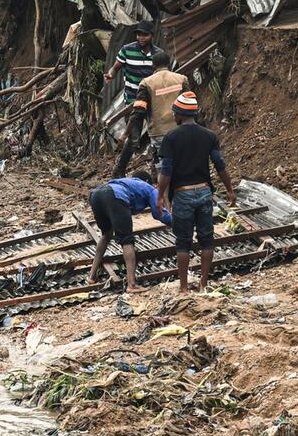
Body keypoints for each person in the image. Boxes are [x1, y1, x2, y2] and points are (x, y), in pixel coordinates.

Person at [157, 92, 236, 294]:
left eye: (174, 113)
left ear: (179, 115)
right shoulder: (209, 136)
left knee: (183, 243)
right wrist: (229, 189)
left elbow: (166, 171)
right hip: (204, 192)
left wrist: (160, 196)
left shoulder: (171, 137)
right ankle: (203, 284)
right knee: (206, 240)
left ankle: (183, 287)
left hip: (182, 194)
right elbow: (220, 165)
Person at [86, 170, 173, 293]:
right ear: (148, 181)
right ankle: (131, 285)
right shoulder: (148, 187)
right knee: (127, 240)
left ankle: (91, 277)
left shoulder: (126, 182)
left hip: (96, 196)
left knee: (106, 234)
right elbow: (159, 213)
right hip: (115, 196)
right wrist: (176, 223)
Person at [105, 20, 164, 178]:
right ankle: (119, 170)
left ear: (152, 36)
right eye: (139, 34)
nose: (141, 37)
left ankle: (156, 171)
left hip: (153, 102)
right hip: (132, 102)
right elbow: (116, 67)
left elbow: (163, 75)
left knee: (157, 136)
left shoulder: (158, 54)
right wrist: (110, 74)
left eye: (144, 34)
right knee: (133, 139)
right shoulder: (127, 50)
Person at [128, 51, 189, 173]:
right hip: (181, 129)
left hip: (158, 131)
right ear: (169, 63)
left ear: (153, 66)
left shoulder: (146, 83)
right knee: (183, 161)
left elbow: (139, 111)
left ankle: (165, 190)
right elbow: (189, 104)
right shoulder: (181, 79)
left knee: (163, 167)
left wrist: (129, 134)